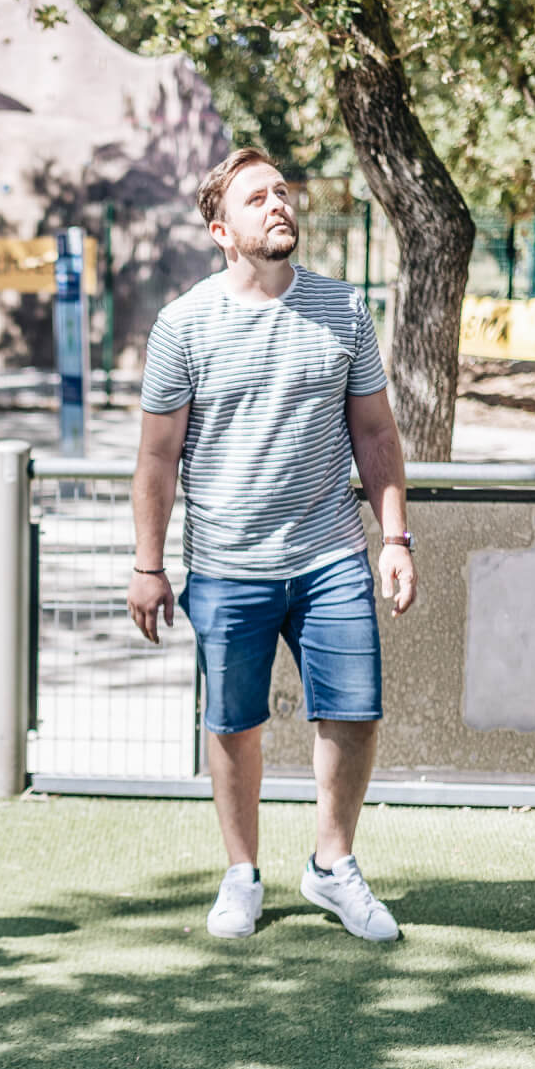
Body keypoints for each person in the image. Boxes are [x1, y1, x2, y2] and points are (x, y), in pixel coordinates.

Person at [126, 147, 418, 945]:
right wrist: (148, 566)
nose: (279, 205)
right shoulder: (184, 324)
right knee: (233, 723)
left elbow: (375, 431)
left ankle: (331, 867)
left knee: (354, 713)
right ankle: (241, 873)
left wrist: (395, 536)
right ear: (223, 229)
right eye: (258, 198)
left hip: (330, 553)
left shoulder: (344, 309)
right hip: (225, 563)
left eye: (283, 192)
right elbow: (156, 458)